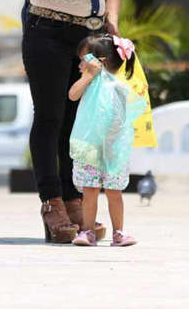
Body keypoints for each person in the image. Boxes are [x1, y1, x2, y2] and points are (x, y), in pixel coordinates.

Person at [19, 0, 124, 243]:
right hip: (46, 32)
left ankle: (75, 197)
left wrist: (111, 14)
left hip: (87, 35)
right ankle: (53, 203)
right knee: (49, 117)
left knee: (77, 123)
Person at [68, 34, 143, 247]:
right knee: (89, 191)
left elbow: (120, 118)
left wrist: (112, 141)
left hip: (112, 149)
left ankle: (119, 232)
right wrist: (87, 77)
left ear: (98, 61)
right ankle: (87, 231)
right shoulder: (88, 84)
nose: (80, 64)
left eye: (83, 60)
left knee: (114, 192)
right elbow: (72, 95)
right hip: (90, 147)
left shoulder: (118, 86)